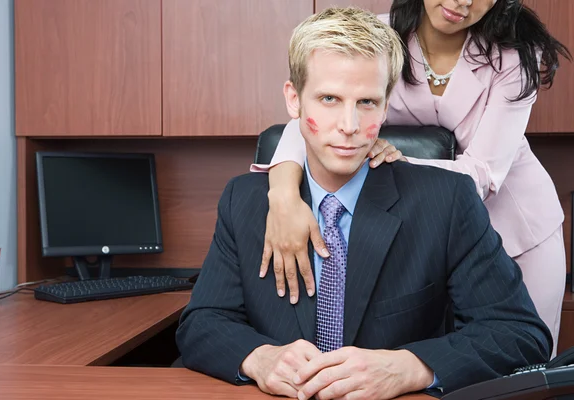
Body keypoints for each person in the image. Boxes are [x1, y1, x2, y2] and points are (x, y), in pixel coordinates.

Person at [176, 7, 551, 399]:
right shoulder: (244, 201)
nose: (350, 125)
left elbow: (519, 335)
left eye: (367, 103)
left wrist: (409, 367)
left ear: (387, 106)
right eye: (329, 99)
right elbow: (202, 323)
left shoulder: (447, 200)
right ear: (294, 100)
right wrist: (259, 357)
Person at [251, 0, 569, 357]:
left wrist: (400, 162)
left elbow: (483, 173)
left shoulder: (514, 55)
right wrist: (282, 196)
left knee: (524, 364)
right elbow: (310, 115)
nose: (461, 1)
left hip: (517, 228)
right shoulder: (377, 37)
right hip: (421, 235)